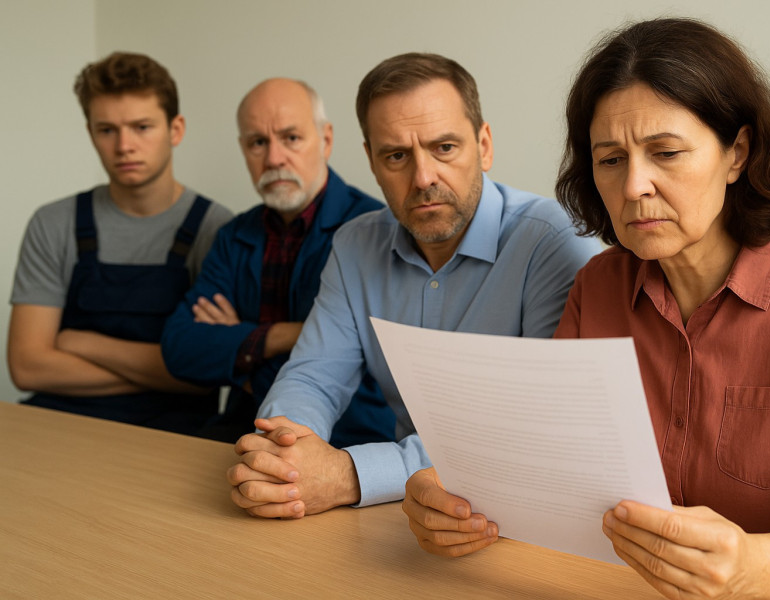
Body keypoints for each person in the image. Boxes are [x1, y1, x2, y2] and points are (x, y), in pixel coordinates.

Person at [402, 17, 770, 600]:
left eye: (665, 152)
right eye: (610, 160)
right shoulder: (597, 288)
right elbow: (551, 466)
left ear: (737, 153)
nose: (635, 185)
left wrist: (753, 565)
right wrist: (448, 491)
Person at [225, 52, 599, 519]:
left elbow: (535, 431)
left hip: (523, 517)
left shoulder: (553, 243)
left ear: (484, 145)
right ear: (372, 162)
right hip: (405, 514)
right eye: (397, 155)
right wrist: (281, 451)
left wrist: (350, 474)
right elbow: (314, 375)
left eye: (444, 148)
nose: (423, 178)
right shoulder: (355, 244)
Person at [7, 52, 233, 435]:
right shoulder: (53, 223)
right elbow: (27, 367)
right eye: (107, 129)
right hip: (56, 422)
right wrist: (166, 371)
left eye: (142, 127)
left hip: (174, 435)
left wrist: (78, 342)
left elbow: (206, 373)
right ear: (90, 133)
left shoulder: (218, 229)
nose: (124, 145)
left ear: (175, 130)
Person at [160, 78, 395, 445]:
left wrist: (241, 346)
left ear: (326, 140)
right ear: (243, 149)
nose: (273, 158)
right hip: (238, 432)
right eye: (258, 142)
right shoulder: (233, 235)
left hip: (349, 444)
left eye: (291, 138)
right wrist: (290, 334)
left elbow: (365, 377)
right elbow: (180, 348)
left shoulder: (373, 231)